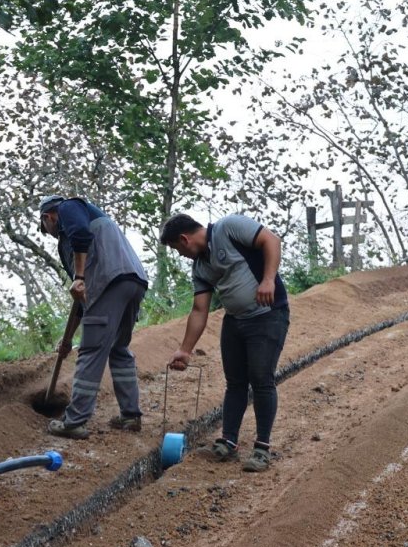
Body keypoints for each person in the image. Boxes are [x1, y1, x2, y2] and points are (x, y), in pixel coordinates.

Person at [159, 212, 289, 472]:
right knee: (236, 382)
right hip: (235, 321)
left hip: (268, 315)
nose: (180, 254)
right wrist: (185, 350)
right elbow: (199, 310)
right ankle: (228, 441)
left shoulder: (228, 228)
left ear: (184, 239)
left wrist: (267, 280)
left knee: (261, 378)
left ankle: (262, 449)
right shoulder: (200, 267)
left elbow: (272, 240)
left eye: (176, 249)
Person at [38, 195, 149, 439]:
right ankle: (130, 416)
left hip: (108, 282)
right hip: (133, 281)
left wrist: (79, 277)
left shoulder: (69, 208)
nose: (51, 234)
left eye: (46, 229)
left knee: (91, 351)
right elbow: (82, 301)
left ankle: (74, 421)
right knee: (119, 349)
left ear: (48, 217)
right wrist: (66, 340)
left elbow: (80, 237)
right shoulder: (88, 227)